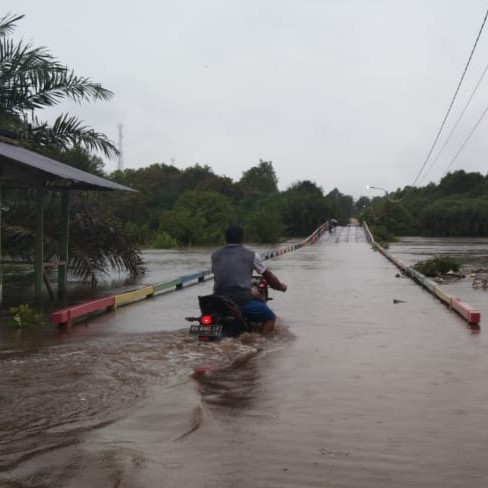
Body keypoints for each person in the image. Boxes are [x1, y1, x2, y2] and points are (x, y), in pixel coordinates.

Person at [211, 224, 287, 335]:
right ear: (243, 238)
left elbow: (218, 277)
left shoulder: (215, 255)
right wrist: (280, 286)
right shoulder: (252, 255)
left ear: (226, 238)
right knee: (271, 318)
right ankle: (260, 345)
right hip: (240, 300)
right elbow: (267, 275)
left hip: (217, 299)